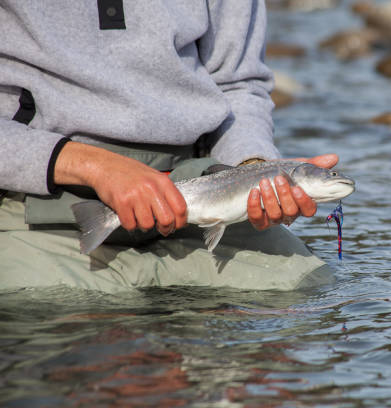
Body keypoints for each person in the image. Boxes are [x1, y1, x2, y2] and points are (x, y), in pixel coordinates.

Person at [0, 1, 337, 292]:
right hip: (39, 205)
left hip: (196, 195)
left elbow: (239, 85)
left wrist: (252, 167)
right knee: (74, 321)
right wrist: (89, 165)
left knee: (308, 288)